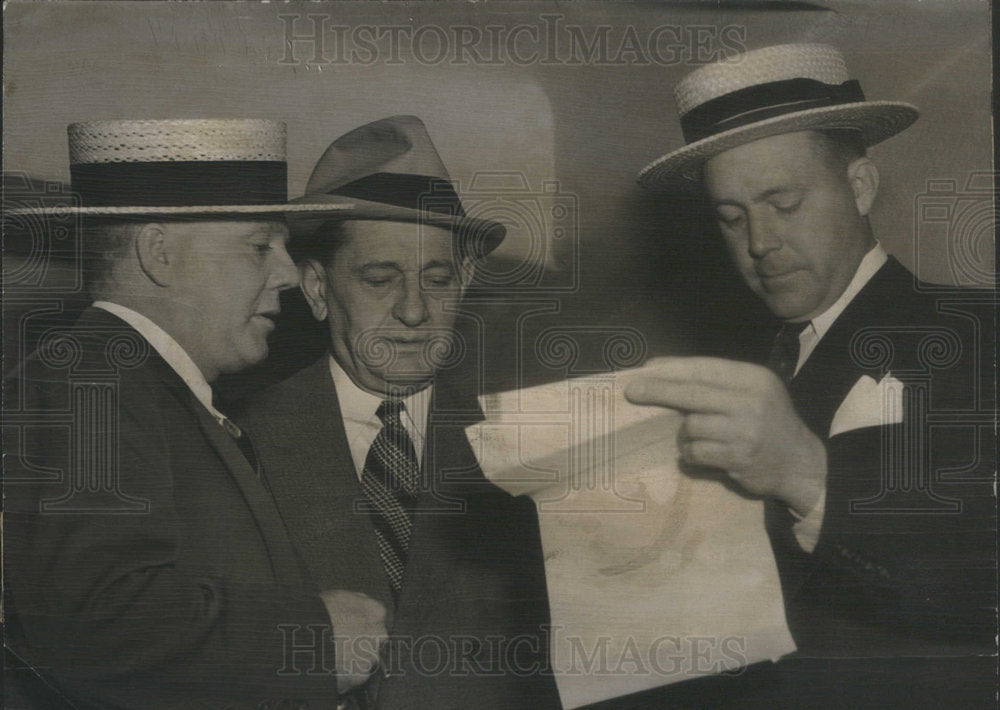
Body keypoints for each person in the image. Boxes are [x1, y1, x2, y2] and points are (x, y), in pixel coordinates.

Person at [625, 43, 995, 706]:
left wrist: (804, 472)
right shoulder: (757, 367)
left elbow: (979, 579)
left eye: (784, 203)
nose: (759, 243)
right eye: (730, 218)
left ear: (860, 186)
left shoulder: (973, 332)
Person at [3, 119, 387, 709]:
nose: (287, 273)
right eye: (259, 246)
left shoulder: (138, 384)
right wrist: (314, 639)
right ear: (159, 253)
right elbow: (98, 626)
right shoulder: (91, 381)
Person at [234, 116, 561, 710]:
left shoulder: (535, 435)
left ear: (464, 281)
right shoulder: (240, 442)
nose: (413, 311)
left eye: (436, 280)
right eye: (380, 280)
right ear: (314, 288)